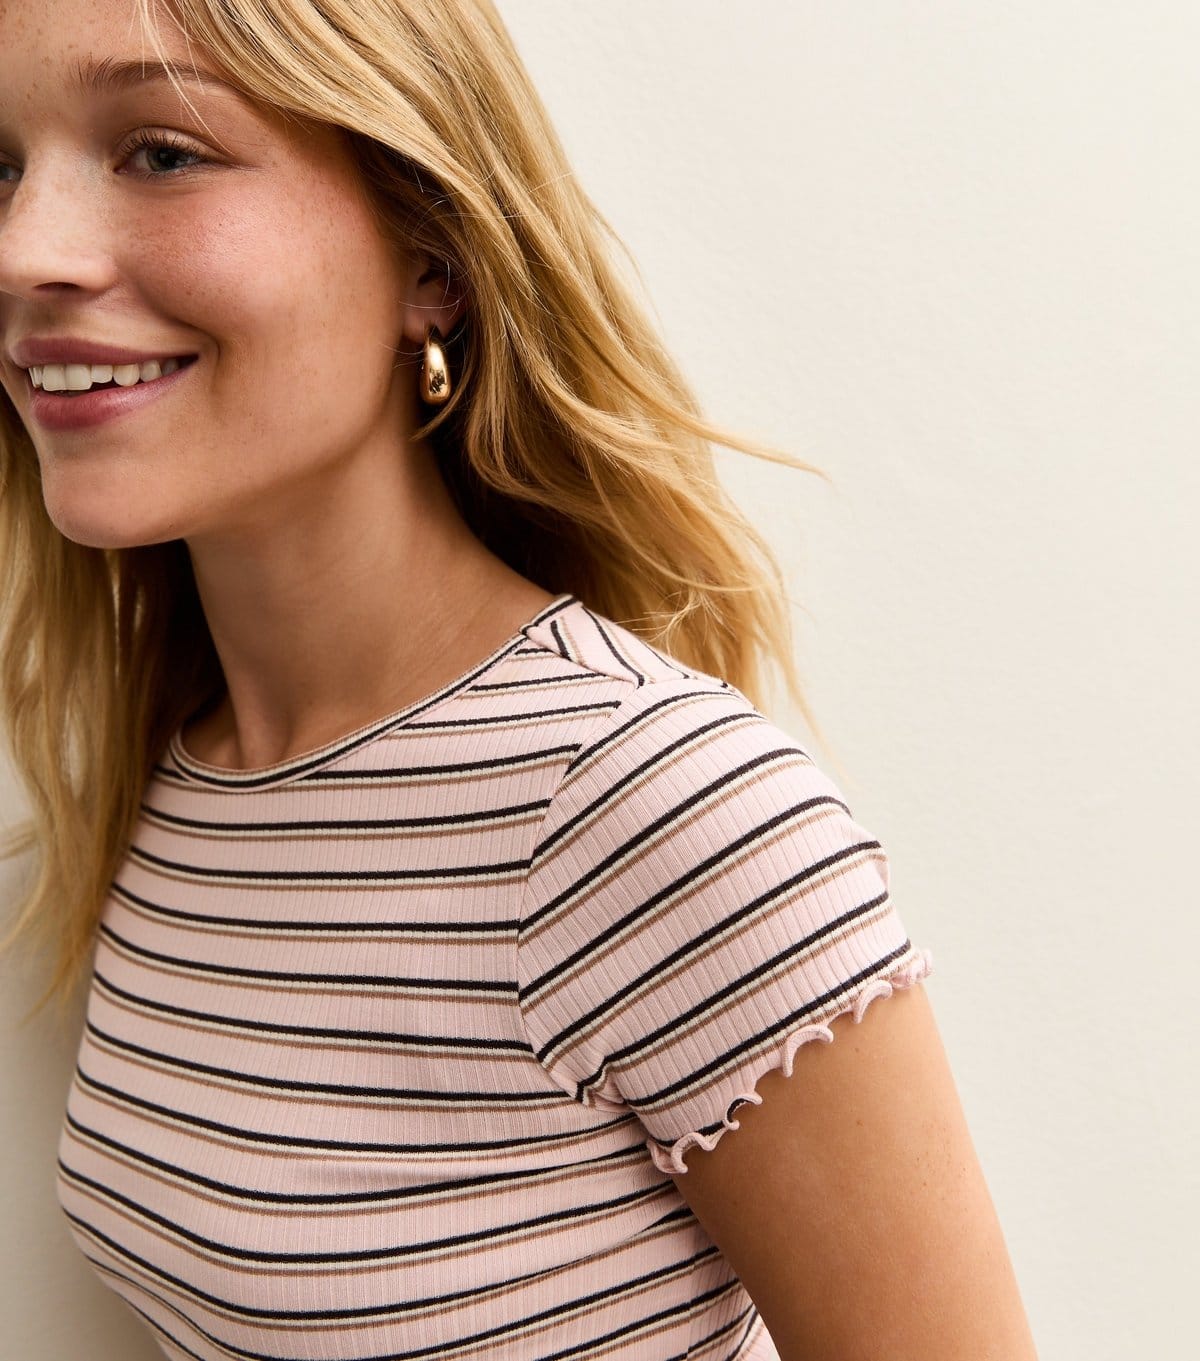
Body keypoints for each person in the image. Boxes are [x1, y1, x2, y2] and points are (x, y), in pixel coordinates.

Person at [0, 1, 1039, 1358]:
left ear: (430, 256)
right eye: (0, 169)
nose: (25, 250)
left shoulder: (655, 811)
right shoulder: (176, 782)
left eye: (161, 151)